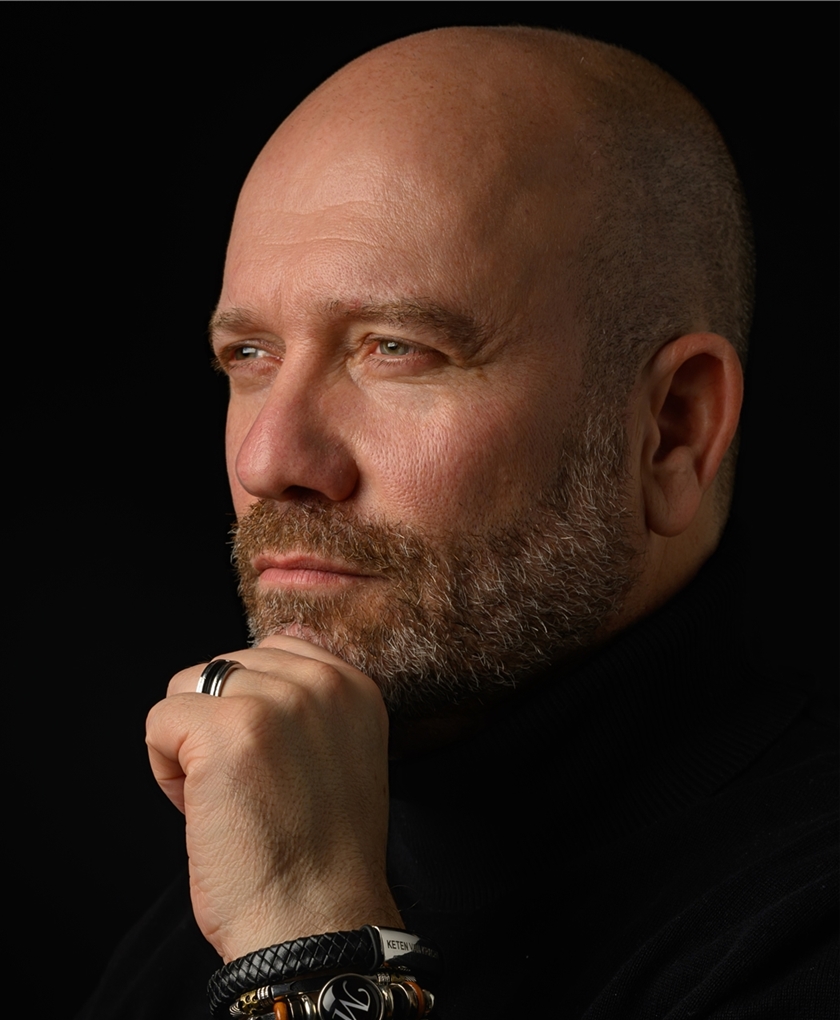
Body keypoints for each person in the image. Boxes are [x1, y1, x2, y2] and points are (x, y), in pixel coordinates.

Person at [80, 25, 837, 1020]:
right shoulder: (198, 926)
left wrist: (309, 958)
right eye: (250, 357)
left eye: (396, 349)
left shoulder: (801, 926)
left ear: (672, 430)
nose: (269, 462)